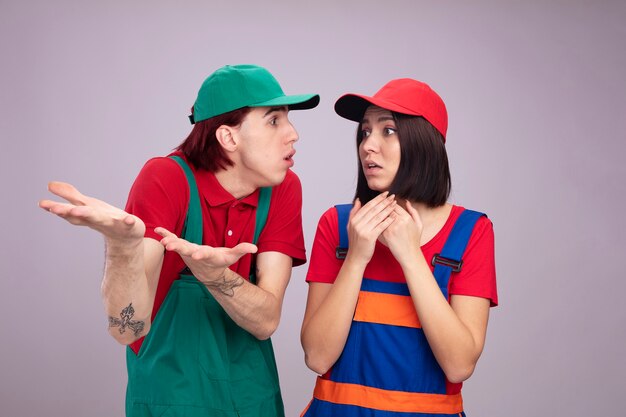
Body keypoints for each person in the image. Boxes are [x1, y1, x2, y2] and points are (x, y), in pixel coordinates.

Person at [39, 64, 319, 417]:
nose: (293, 134)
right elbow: (128, 328)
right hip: (171, 398)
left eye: (288, 119)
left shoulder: (282, 188)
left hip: (253, 399)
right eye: (274, 120)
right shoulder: (166, 179)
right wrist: (122, 247)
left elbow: (265, 322)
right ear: (228, 137)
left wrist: (214, 274)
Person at [300, 78, 497, 417]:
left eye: (387, 131)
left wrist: (410, 256)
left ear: (425, 143)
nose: (368, 146)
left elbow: (459, 365)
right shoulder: (337, 225)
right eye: (364, 132)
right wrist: (358, 257)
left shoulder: (471, 232)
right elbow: (317, 357)